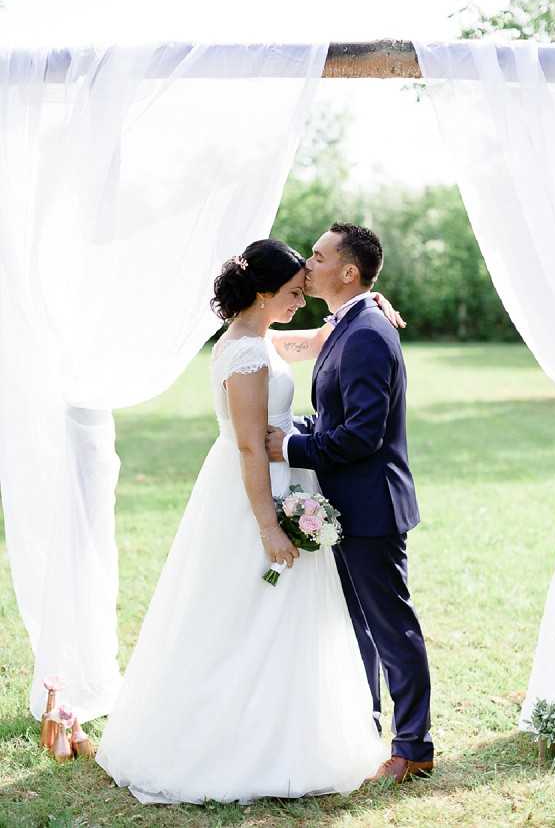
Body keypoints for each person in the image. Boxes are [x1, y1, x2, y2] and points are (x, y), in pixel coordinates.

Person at [95, 238, 389, 805]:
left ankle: (284, 730)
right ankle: (240, 743)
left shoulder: (252, 337)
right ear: (262, 293)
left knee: (276, 612)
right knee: (249, 606)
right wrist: (269, 526)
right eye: (292, 294)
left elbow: (309, 341)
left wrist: (370, 304)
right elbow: (252, 450)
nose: (300, 303)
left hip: (278, 481)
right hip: (255, 493)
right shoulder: (247, 356)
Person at [266, 223, 434, 783]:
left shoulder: (365, 333)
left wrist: (291, 445)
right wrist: (290, 426)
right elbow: (339, 418)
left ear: (348, 271)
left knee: (390, 627)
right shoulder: (348, 325)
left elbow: (363, 435)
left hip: (371, 507)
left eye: (318, 255)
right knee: (356, 625)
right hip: (347, 506)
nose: (308, 264)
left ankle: (413, 746)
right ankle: (365, 726)